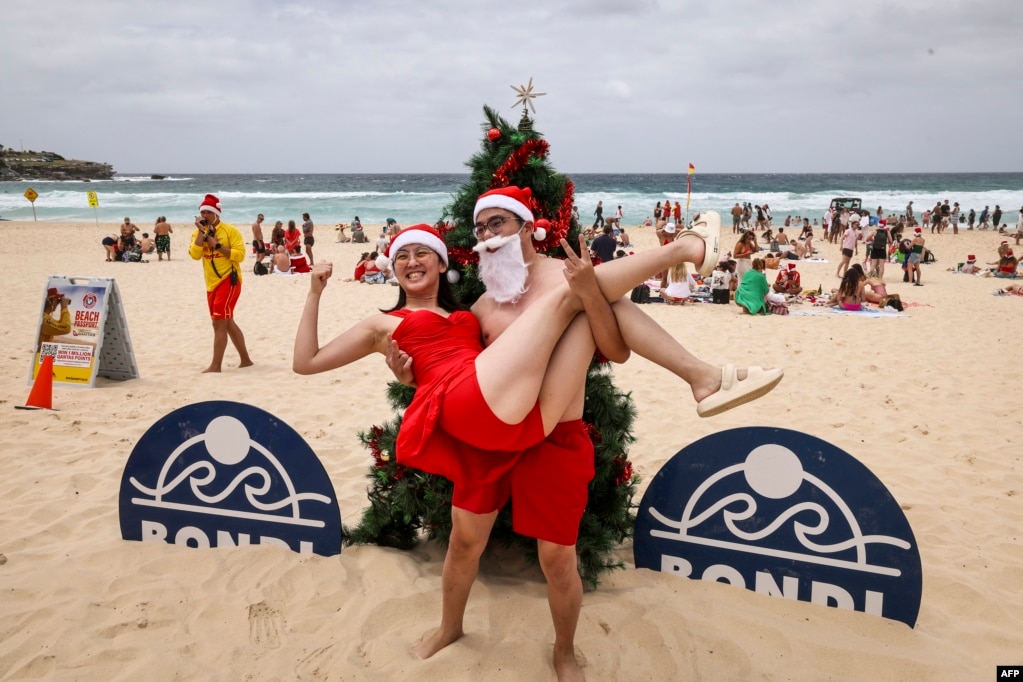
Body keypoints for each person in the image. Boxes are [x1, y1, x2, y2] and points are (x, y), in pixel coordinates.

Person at [376, 188, 780, 678]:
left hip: (555, 436)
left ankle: (564, 652)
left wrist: (589, 291)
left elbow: (615, 348)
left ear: (527, 227)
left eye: (498, 223)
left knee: (558, 561)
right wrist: (409, 375)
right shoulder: (482, 305)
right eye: (481, 228)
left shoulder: (566, 276)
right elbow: (457, 372)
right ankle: (449, 628)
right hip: (495, 440)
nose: (487, 236)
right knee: (464, 544)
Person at [188, 194, 254, 373]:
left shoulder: (230, 231)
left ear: (217, 213)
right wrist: (202, 233)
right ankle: (246, 360)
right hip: (211, 283)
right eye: (203, 212)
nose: (205, 216)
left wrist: (217, 246)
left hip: (229, 280)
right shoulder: (198, 233)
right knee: (227, 321)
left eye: (209, 212)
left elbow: (240, 255)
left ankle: (215, 366)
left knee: (218, 322)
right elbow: (194, 255)